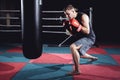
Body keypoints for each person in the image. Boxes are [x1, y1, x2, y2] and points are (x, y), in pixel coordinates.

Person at [62, 4, 98, 75]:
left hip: (89, 38)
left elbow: (87, 31)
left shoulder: (83, 16)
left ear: (73, 11)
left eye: (68, 14)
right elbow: (73, 34)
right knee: (79, 54)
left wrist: (78, 25)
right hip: (81, 38)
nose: (66, 16)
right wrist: (68, 28)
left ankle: (77, 70)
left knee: (73, 47)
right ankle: (93, 58)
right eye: (65, 14)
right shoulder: (71, 20)